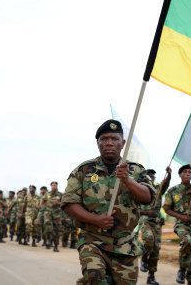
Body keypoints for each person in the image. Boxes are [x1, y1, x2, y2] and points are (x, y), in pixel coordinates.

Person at [61, 119, 155, 284]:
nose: (109, 143)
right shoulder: (84, 170)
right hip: (92, 241)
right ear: (97, 143)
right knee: (94, 276)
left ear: (122, 143)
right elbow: (69, 203)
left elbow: (148, 197)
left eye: (114, 139)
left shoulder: (136, 170)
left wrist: (128, 180)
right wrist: (96, 220)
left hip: (125, 246)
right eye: (104, 139)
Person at [139, 167, 172, 285]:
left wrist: (169, 174)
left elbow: (166, 184)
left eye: (153, 175)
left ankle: (151, 277)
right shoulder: (140, 189)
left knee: (156, 249)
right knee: (148, 239)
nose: (152, 176)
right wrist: (146, 212)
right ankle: (143, 259)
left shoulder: (158, 189)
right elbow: (133, 208)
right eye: (150, 175)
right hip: (145, 219)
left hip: (157, 222)